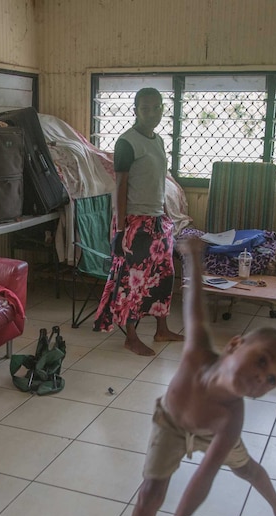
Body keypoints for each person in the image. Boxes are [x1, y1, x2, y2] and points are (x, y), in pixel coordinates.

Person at [100, 236, 276, 516]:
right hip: (172, 423)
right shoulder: (196, 351)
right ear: (235, 345)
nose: (263, 378)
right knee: (150, 493)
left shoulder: (232, 419)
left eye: (273, 380)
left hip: (212, 435)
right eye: (262, 361)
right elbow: (193, 304)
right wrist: (192, 256)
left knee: (248, 471)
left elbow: (203, 479)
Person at [93, 87, 184, 356]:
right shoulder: (127, 143)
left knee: (164, 276)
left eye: (157, 107)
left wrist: (166, 213)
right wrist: (121, 229)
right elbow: (120, 186)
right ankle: (130, 336)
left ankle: (161, 329)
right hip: (133, 222)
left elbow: (158, 182)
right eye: (145, 108)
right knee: (134, 283)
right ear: (135, 111)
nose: (152, 113)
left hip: (157, 220)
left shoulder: (157, 140)